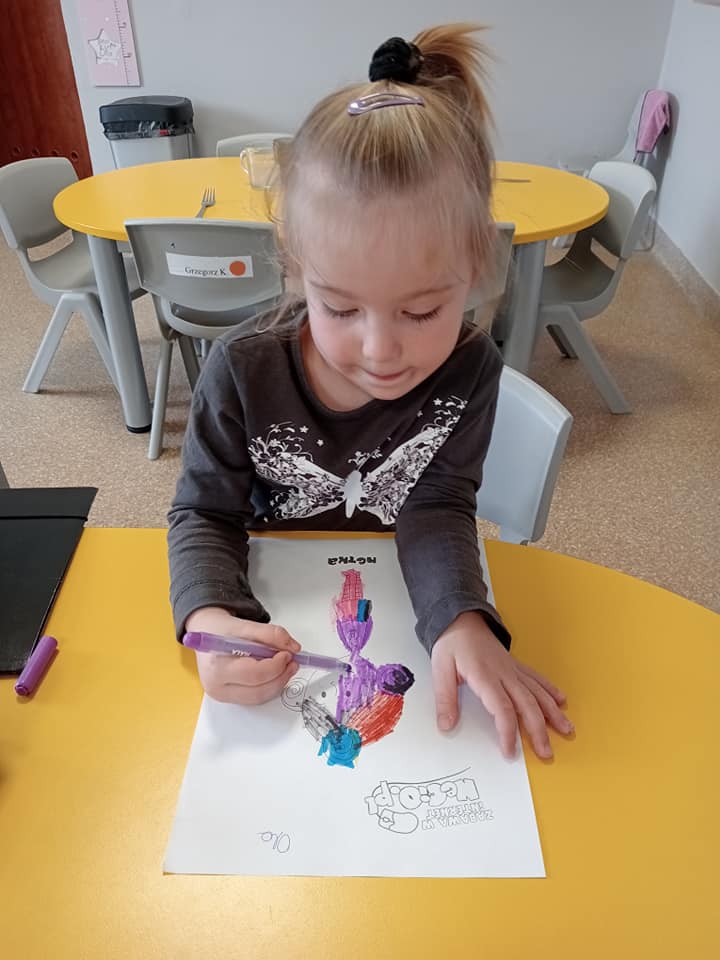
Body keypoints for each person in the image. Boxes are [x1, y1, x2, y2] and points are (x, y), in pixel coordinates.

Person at [168, 23, 573, 759]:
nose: (381, 350)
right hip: (280, 604)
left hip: (395, 597)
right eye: (340, 308)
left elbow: (437, 502)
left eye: (421, 312)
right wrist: (211, 615)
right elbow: (203, 511)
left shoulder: (470, 368)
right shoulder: (241, 369)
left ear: (474, 270)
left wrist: (460, 618)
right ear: (297, 269)